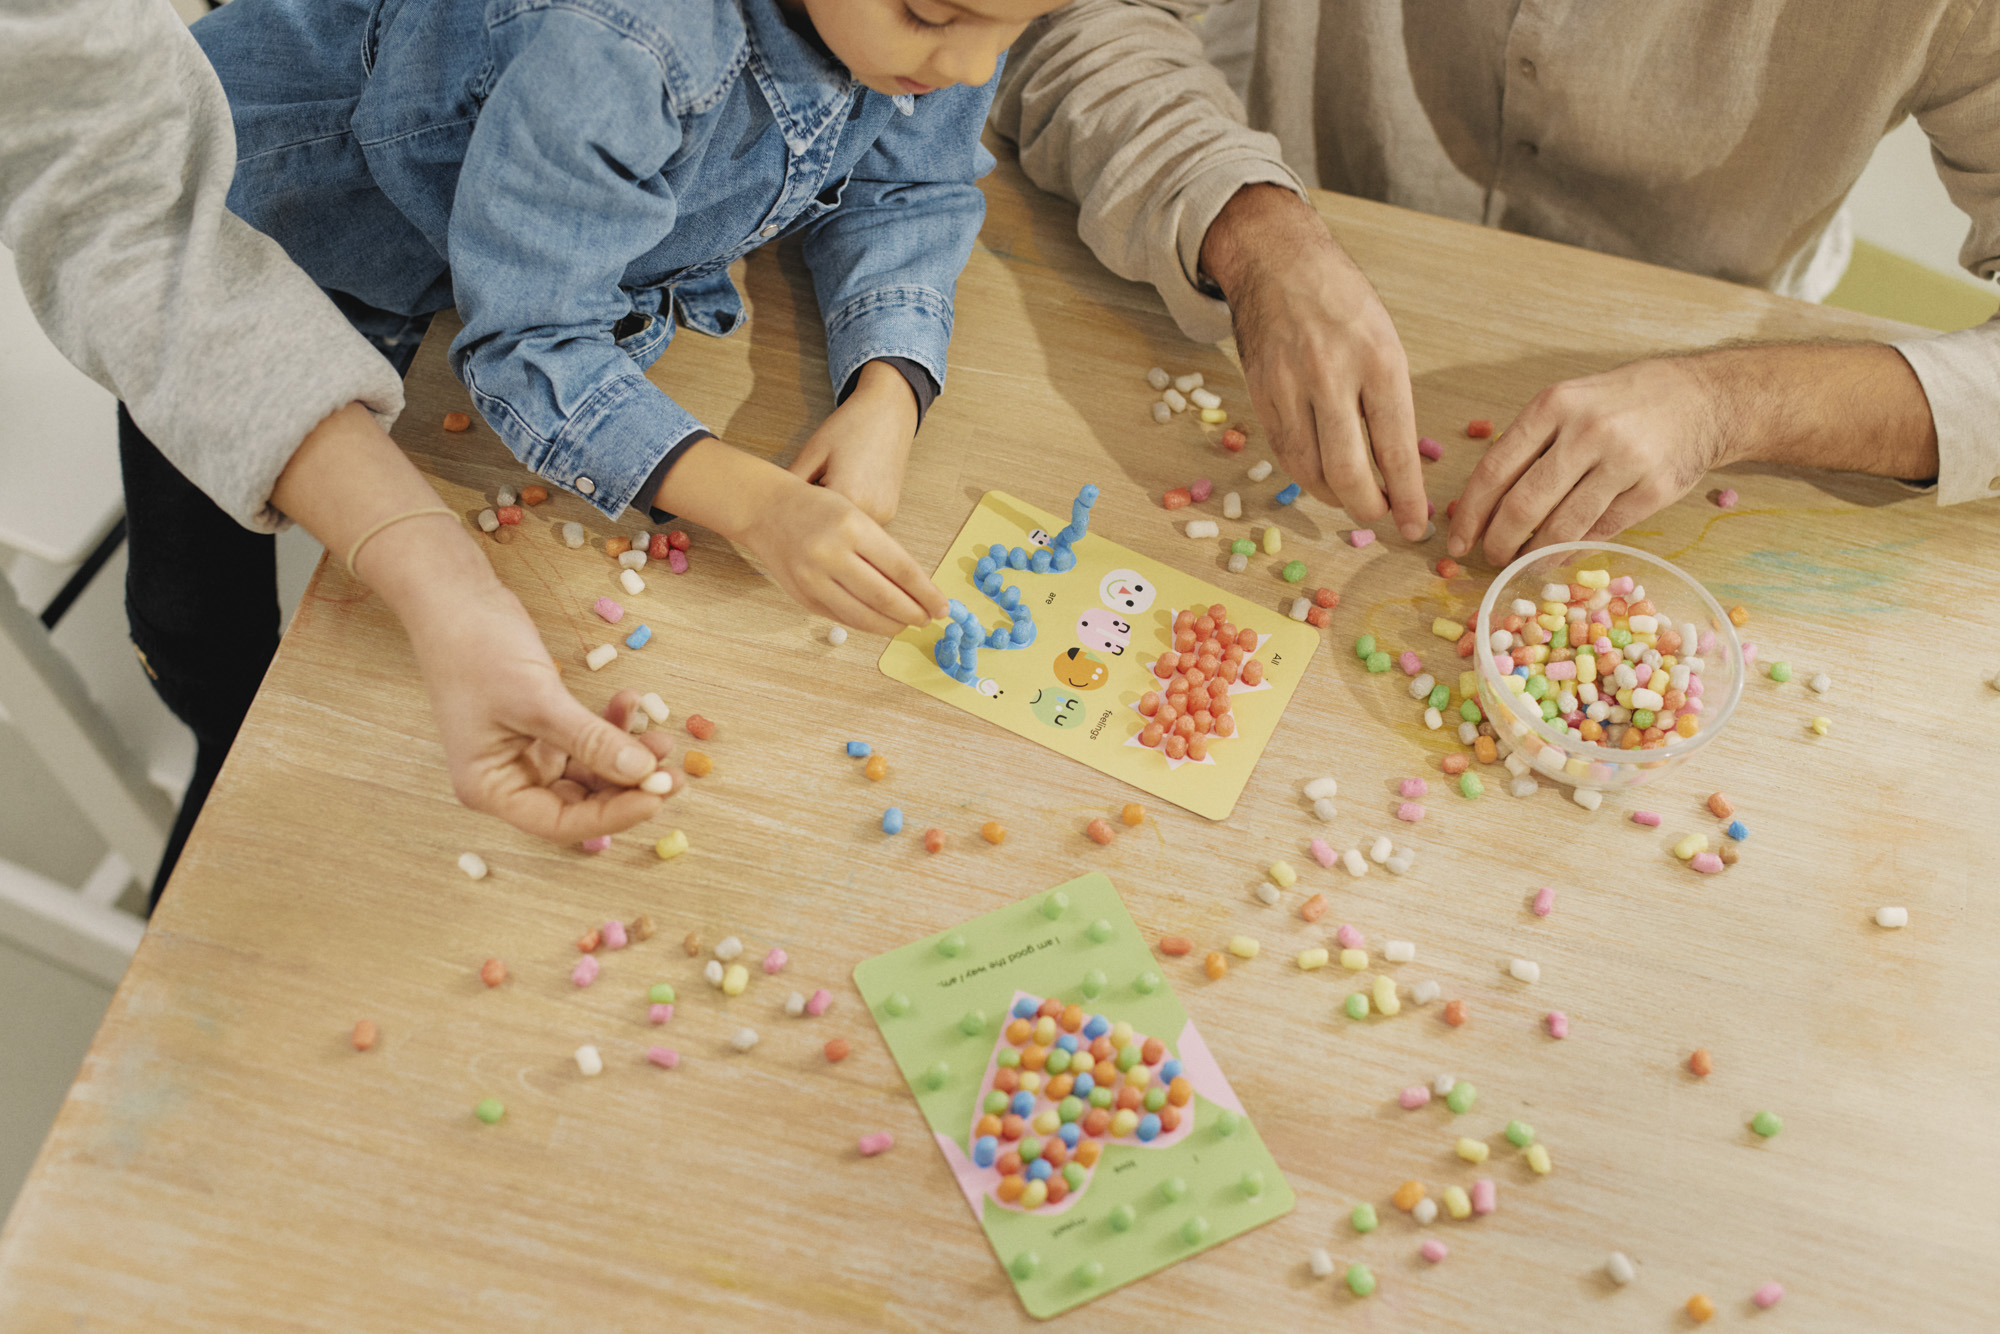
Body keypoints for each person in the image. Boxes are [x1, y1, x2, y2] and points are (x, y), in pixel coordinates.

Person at [2, 0, 688, 907]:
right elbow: (122, 214)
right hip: (260, 207)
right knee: (202, 651)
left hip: (257, 273)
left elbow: (122, 200)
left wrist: (450, 590)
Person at [994, 1, 2000, 564]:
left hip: (1726, 382)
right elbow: (1070, 19)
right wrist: (1250, 227)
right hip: (1286, 240)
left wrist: (1727, 404)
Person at [188, 0, 1066, 633]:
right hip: (235, 260)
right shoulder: (623, 38)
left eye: (1017, 26)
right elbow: (530, 339)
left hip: (495, 267)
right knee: (204, 613)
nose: (972, 68)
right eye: (929, 14)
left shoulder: (940, 32)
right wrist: (754, 506)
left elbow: (910, 185)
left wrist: (889, 388)